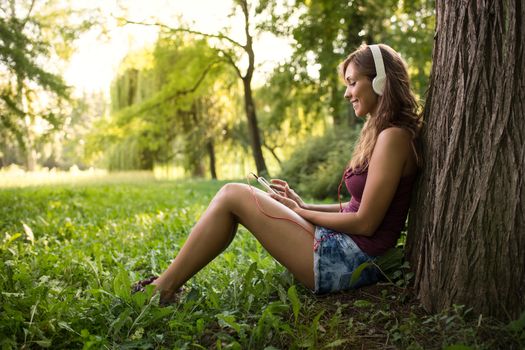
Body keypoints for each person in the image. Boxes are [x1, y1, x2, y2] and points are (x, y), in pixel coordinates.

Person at [132, 43, 422, 303]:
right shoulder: (382, 133)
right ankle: (165, 287)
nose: (347, 93)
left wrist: (303, 213)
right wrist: (303, 205)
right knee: (234, 196)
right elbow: (357, 207)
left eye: (352, 83)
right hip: (344, 247)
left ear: (381, 81)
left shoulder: (393, 138)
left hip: (350, 261)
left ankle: (162, 291)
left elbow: (365, 222)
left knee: (234, 194)